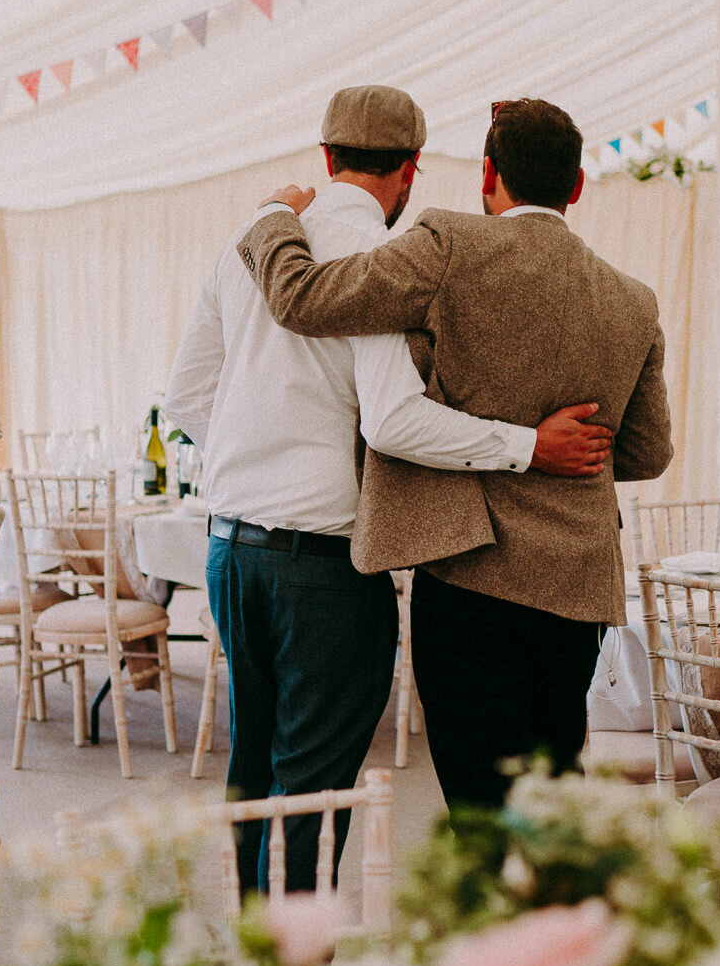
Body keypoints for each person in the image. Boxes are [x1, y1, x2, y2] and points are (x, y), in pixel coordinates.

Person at [165, 84, 612, 891]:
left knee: (252, 770)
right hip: (320, 569)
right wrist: (528, 446)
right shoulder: (381, 259)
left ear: (327, 157)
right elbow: (395, 421)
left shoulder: (256, 235)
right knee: (310, 789)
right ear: (410, 170)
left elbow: (188, 398)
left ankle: (258, 962)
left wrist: (255, 450)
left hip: (230, 550)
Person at [235, 97, 672, 812]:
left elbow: (304, 300)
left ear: (487, 175)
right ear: (579, 184)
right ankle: (553, 922)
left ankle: (496, 924)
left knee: (479, 806)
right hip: (577, 584)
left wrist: (273, 218)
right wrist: (558, 448)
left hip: (473, 574)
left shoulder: (446, 244)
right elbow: (647, 451)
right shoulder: (633, 300)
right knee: (553, 799)